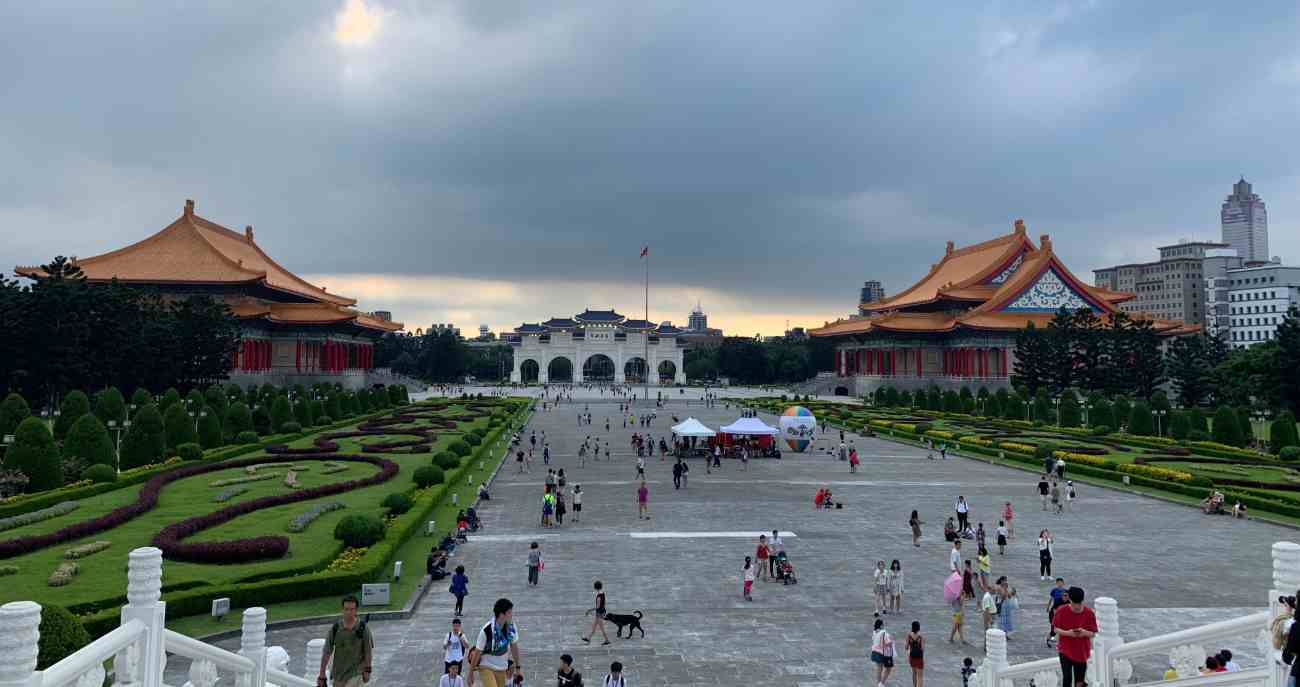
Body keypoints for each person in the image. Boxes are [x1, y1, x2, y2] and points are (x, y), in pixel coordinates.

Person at [317, 595, 374, 687]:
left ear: (356, 610)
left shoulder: (363, 628)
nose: (348, 612)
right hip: (339, 674)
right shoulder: (335, 628)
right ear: (342, 610)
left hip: (356, 673)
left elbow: (368, 651)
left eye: (352, 609)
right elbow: (327, 652)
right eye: (346, 609)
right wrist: (322, 674)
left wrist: (367, 670)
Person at [467, 598, 521, 687]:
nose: (511, 615)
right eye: (509, 612)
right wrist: (470, 673)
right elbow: (477, 652)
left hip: (502, 667)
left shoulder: (511, 628)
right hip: (486, 666)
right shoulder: (486, 630)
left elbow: (514, 647)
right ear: (501, 614)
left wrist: (518, 668)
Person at [1052, 587, 1098, 687]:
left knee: (1080, 682)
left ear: (1083, 600)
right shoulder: (1061, 610)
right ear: (1070, 600)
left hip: (1081, 652)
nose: (1077, 607)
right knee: (1067, 678)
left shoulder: (1089, 613)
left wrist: (1085, 632)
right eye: (1074, 604)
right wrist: (1069, 633)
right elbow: (1055, 629)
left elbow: (1093, 633)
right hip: (1065, 650)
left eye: (1080, 603)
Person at [871, 616, 896, 687]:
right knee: (888, 668)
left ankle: (878, 682)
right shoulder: (884, 633)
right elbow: (888, 643)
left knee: (879, 668)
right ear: (881, 625)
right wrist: (892, 640)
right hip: (882, 653)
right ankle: (882, 683)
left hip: (875, 652)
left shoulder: (874, 632)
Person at [1046, 578, 1068, 646]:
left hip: (1062, 612)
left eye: (1061, 582)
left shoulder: (1066, 592)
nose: (1059, 584)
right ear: (1056, 583)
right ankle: (1050, 638)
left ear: (1063, 583)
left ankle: (1058, 640)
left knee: (1062, 627)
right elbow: (1051, 599)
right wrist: (1048, 607)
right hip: (1055, 610)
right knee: (1054, 626)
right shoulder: (1054, 591)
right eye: (1058, 582)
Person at [906, 621, 925, 687]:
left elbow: (906, 647)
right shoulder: (921, 636)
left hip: (912, 657)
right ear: (918, 627)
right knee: (920, 676)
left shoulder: (909, 636)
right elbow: (922, 649)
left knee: (914, 673)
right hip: (919, 657)